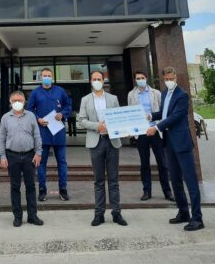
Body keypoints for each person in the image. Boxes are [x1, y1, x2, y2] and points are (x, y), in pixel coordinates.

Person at [147, 66, 204, 231]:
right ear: (163, 79)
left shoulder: (182, 95)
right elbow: (165, 113)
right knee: (175, 180)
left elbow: (176, 116)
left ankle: (197, 218)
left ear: (176, 77)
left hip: (182, 143)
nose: (169, 81)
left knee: (190, 181)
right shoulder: (165, 93)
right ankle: (183, 212)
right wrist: (152, 116)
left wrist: (156, 127)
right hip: (169, 143)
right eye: (166, 79)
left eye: (171, 78)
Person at [79, 71, 128, 227]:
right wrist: (97, 126)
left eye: (99, 79)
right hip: (96, 142)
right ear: (90, 81)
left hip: (112, 142)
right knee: (98, 181)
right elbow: (81, 120)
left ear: (103, 80)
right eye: (94, 79)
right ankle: (99, 214)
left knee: (114, 180)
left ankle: (116, 213)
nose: (97, 81)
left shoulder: (113, 98)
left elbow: (119, 118)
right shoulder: (85, 99)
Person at [0, 90, 44, 227]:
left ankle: (32, 216)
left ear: (25, 102)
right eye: (14, 100)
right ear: (10, 102)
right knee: (15, 187)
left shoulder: (31, 116)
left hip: (29, 155)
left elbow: (37, 135)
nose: (17, 103)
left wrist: (38, 152)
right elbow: (1, 138)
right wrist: (2, 156)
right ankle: (17, 216)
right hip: (12, 156)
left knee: (31, 186)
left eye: (20, 100)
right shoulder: (5, 118)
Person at [128, 70, 174, 202]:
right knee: (144, 163)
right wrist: (131, 129)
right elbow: (130, 113)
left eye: (142, 77)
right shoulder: (131, 95)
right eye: (138, 78)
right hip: (141, 132)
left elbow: (162, 111)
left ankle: (167, 191)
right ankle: (147, 191)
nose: (140, 80)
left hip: (155, 130)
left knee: (162, 163)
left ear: (146, 78)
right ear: (135, 80)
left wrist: (160, 126)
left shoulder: (156, 93)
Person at [26, 67, 72, 201]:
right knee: (41, 163)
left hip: (58, 132)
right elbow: (29, 109)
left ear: (52, 77)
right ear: (41, 78)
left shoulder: (60, 91)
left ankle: (63, 189)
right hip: (42, 133)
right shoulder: (35, 93)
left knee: (62, 162)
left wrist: (62, 114)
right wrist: (38, 119)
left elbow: (68, 106)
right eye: (44, 76)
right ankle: (42, 190)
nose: (46, 78)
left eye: (49, 75)